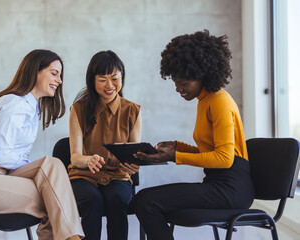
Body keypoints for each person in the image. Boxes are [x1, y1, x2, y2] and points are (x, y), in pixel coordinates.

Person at [0, 49, 84, 240]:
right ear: (35, 71)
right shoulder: (15, 103)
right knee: (53, 194)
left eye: (60, 75)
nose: (59, 80)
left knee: (52, 177)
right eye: (54, 73)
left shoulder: (30, 107)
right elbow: (1, 156)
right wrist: (36, 175)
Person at [132, 30, 254, 240]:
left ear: (202, 75)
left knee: (146, 201)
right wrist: (178, 147)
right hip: (218, 184)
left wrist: (174, 157)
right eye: (175, 83)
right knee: (146, 200)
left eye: (184, 83)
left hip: (232, 189)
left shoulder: (219, 101)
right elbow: (210, 151)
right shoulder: (205, 100)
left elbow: (225, 159)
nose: (178, 89)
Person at [68, 50, 142, 240]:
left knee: (116, 199)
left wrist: (135, 164)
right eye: (102, 79)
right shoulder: (78, 109)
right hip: (84, 176)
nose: (110, 85)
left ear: (122, 78)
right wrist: (88, 160)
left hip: (118, 176)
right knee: (92, 200)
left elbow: (136, 154)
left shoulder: (132, 110)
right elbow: (75, 157)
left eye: (115, 78)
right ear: (92, 81)